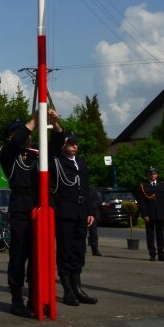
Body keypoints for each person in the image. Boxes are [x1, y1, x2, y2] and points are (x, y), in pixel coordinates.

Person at [48, 109, 97, 306]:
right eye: (71, 143)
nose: (75, 146)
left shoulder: (81, 163)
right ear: (64, 145)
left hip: (81, 212)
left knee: (79, 251)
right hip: (65, 212)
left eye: (76, 143)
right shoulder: (57, 161)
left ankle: (78, 287)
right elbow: (53, 143)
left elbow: (86, 188)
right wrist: (56, 123)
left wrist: (91, 211)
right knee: (66, 251)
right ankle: (68, 289)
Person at [0, 115, 38, 317]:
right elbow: (15, 143)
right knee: (18, 256)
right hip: (20, 208)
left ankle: (34, 298)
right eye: (21, 131)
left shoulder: (36, 155)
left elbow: (56, 149)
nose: (27, 135)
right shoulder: (8, 154)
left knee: (36, 257)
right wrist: (31, 123)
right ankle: (16, 300)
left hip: (37, 208)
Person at [138, 167, 164, 262]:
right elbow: (142, 202)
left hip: (160, 214)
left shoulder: (162, 185)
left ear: (157, 175)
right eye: (150, 174)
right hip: (150, 214)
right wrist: (144, 215)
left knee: (160, 235)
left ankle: (161, 254)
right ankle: (152, 254)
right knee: (150, 235)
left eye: (154, 174)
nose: (152, 175)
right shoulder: (144, 186)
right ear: (148, 175)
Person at [87, 186, 102, 257]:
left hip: (93, 214)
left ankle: (95, 250)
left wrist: (90, 208)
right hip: (83, 214)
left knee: (93, 234)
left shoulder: (93, 190)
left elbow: (98, 200)